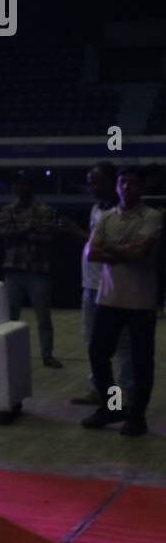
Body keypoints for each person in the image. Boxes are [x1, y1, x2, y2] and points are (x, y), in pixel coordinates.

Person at [82, 165, 162, 437]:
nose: (127, 187)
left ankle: (137, 417)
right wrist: (125, 251)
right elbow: (92, 254)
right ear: (116, 186)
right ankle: (111, 406)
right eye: (122, 182)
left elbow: (142, 252)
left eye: (132, 183)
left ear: (142, 187)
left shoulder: (153, 217)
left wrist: (112, 249)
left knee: (141, 362)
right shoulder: (106, 217)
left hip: (140, 302)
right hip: (109, 299)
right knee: (98, 354)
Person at [61, 162, 134, 404]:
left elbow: (102, 245)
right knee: (92, 342)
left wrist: (76, 232)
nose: (90, 186)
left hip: (112, 286)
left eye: (95, 181)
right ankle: (98, 388)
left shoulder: (119, 212)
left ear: (111, 183)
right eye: (89, 181)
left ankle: (123, 393)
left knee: (122, 344)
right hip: (89, 284)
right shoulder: (95, 208)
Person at [0, 171, 60, 368]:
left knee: (44, 318)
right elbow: (3, 232)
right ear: (15, 188)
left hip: (38, 270)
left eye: (26, 185)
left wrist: (20, 232)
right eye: (19, 185)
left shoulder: (45, 210)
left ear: (32, 188)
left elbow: (49, 235)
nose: (22, 189)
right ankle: (8, 354)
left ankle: (47, 356)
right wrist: (29, 229)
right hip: (13, 269)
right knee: (10, 317)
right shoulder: (7, 210)